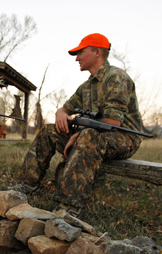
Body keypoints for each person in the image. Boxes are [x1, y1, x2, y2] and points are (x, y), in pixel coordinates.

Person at [14, 33, 145, 216]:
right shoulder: (87, 86)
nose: (77, 58)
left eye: (80, 53)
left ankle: (69, 205)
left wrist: (77, 135)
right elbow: (65, 108)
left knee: (87, 136)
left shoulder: (116, 77)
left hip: (123, 138)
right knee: (50, 130)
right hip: (93, 135)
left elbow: (112, 121)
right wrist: (61, 114)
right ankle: (28, 183)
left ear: (96, 52)